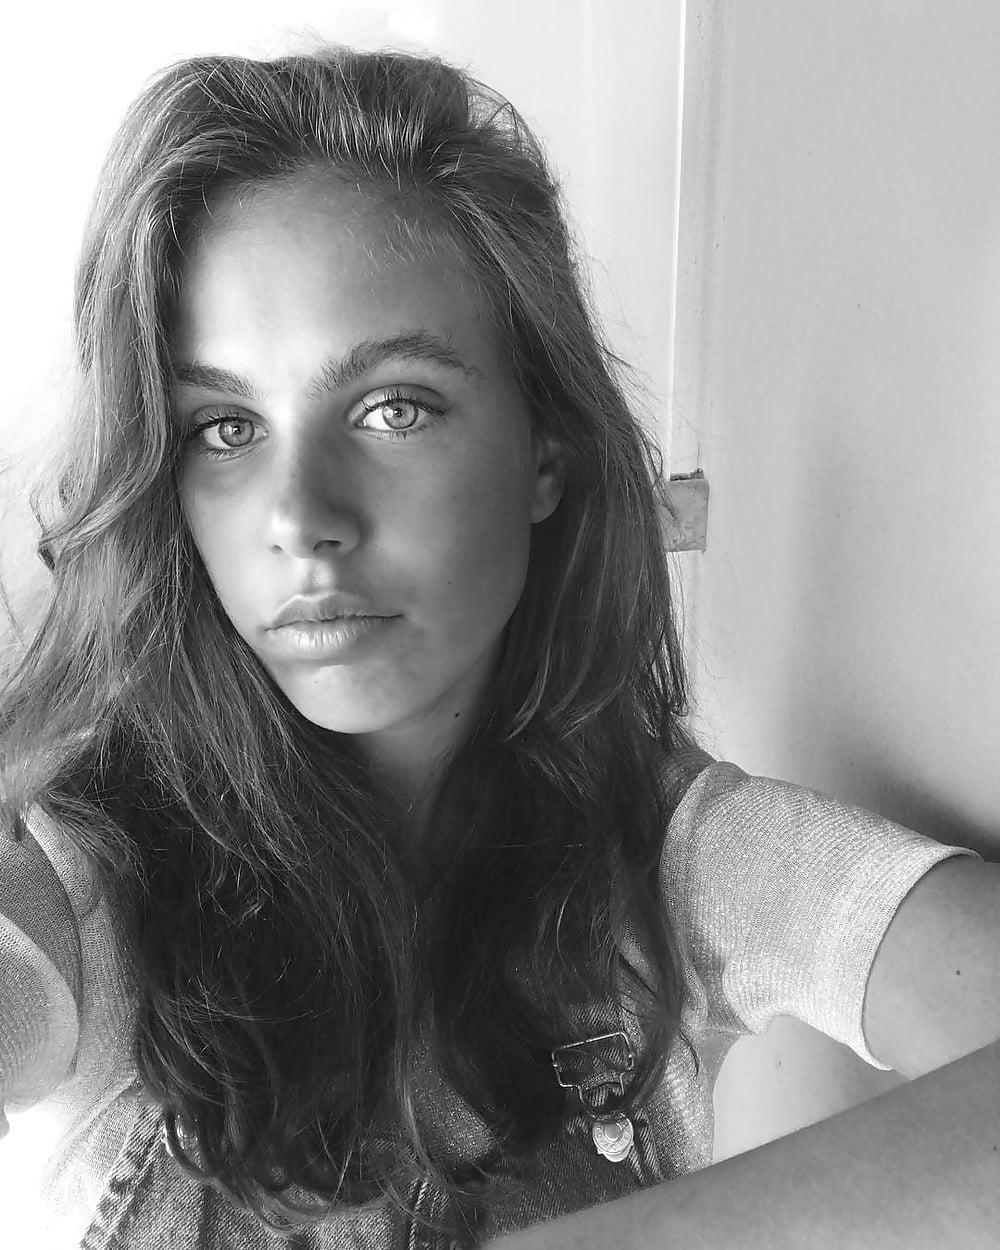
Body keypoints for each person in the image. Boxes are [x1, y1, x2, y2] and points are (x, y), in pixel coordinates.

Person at [0, 44, 997, 1250]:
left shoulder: (679, 859)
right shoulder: (81, 874)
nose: (299, 517)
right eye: (224, 426)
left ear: (543, 456)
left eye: (392, 407)